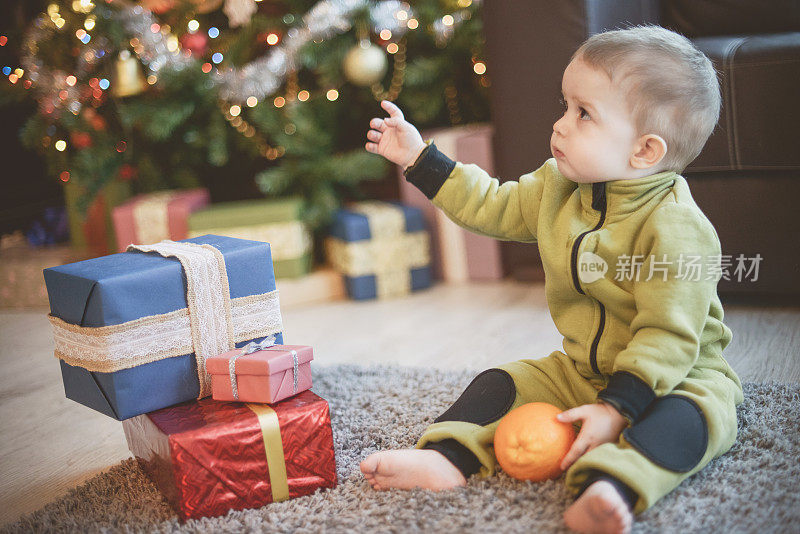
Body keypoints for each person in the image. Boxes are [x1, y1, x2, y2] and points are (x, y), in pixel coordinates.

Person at [359, 25, 743, 534]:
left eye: (584, 114)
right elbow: (492, 205)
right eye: (565, 105)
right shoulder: (558, 187)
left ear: (645, 152)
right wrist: (419, 160)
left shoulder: (677, 229)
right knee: (501, 384)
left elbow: (667, 335)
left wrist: (618, 409)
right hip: (580, 371)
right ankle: (448, 457)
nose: (560, 125)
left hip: (677, 376)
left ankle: (613, 486)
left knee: (691, 423)